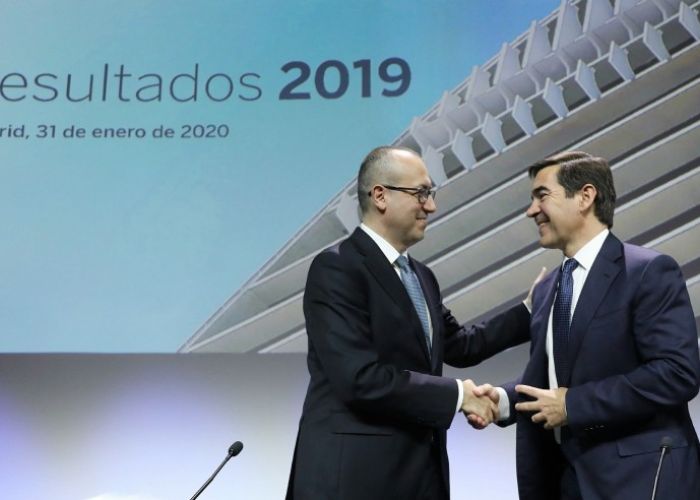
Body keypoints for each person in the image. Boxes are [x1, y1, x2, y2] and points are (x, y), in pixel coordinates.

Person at [286, 146, 532, 500]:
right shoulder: (338, 268)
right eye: (421, 193)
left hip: (419, 475)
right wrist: (460, 396)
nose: (430, 206)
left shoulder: (421, 275)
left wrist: (529, 310)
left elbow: (460, 344)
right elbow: (360, 379)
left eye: (430, 194)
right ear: (380, 196)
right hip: (354, 481)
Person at [475, 151, 700, 499]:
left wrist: (573, 405)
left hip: (639, 479)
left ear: (585, 196)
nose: (531, 210)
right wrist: (503, 400)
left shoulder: (647, 271)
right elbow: (560, 375)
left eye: (541, 196)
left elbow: (676, 373)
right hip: (566, 481)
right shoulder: (549, 287)